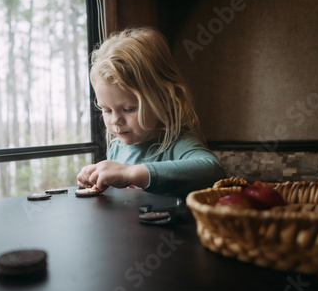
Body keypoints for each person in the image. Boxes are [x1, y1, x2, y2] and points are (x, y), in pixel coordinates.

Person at [77, 27, 226, 197]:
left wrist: (130, 174)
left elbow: (213, 170)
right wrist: (96, 179)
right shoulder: (117, 149)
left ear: (166, 100)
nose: (116, 120)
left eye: (129, 109)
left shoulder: (178, 144)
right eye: (107, 110)